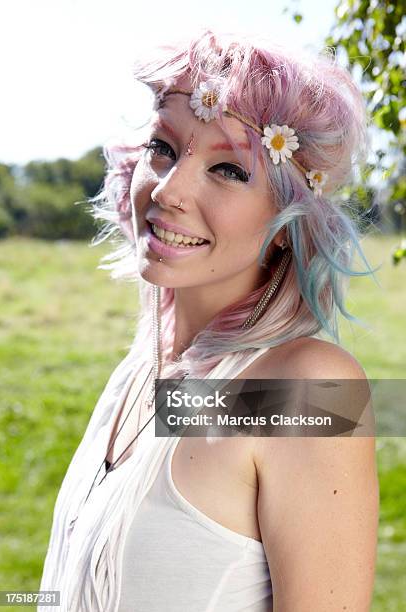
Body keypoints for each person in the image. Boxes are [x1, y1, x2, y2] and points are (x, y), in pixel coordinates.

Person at [39, 29, 379, 612]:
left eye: (228, 169)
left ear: (289, 221)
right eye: (164, 148)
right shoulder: (141, 368)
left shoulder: (308, 391)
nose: (169, 191)